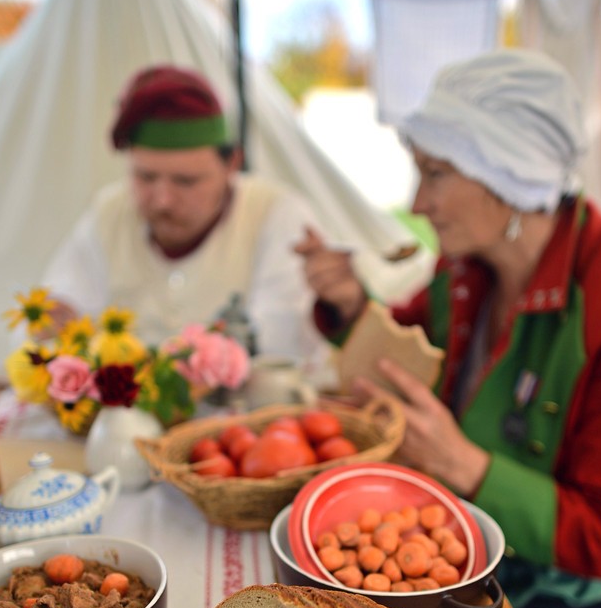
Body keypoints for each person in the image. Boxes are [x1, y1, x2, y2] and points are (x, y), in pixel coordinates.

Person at [299, 48, 601, 608]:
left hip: (600, 585)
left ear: (508, 179)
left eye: (434, 173)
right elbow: (405, 341)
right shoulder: (467, 266)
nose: (417, 199)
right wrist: (343, 303)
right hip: (470, 535)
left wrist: (467, 467)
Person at [40, 64, 433, 379]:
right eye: (145, 177)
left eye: (185, 181)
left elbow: (281, 345)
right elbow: (59, 312)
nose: (161, 199)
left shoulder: (277, 214)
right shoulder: (109, 214)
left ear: (232, 164)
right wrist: (53, 328)